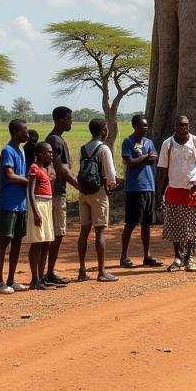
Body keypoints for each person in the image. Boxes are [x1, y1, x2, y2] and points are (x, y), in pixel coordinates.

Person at [157, 115, 196, 272]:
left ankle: (189, 257)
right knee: (175, 226)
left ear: (189, 126)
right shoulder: (168, 144)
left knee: (193, 227)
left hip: (192, 190)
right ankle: (177, 258)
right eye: (180, 125)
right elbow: (162, 170)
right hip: (173, 190)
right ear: (175, 127)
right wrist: (160, 193)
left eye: (186, 125)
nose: (183, 128)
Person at [75, 118, 118, 282]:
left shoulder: (83, 148)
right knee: (99, 230)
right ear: (103, 130)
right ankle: (101, 271)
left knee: (84, 231)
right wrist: (111, 186)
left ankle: (82, 270)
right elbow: (111, 175)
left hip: (84, 192)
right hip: (98, 191)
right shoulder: (104, 148)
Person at [0, 119, 30, 294]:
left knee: (17, 241)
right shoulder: (8, 150)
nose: (27, 134)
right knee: (4, 241)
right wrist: (30, 182)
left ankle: (11, 279)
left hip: (20, 203)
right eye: (24, 131)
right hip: (8, 202)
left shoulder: (20, 150)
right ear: (15, 132)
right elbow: (10, 175)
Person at [44, 106, 79, 286]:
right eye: (68, 118)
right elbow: (62, 169)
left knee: (55, 233)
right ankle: (48, 272)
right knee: (56, 233)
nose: (71, 121)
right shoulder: (56, 140)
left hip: (55, 192)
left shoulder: (55, 139)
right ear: (60, 120)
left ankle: (48, 272)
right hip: (56, 192)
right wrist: (81, 187)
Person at [119, 114, 161, 268]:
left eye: (146, 125)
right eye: (143, 125)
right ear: (135, 126)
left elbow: (154, 158)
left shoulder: (149, 142)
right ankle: (123, 256)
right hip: (134, 188)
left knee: (146, 223)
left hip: (149, 186)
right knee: (131, 223)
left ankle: (147, 256)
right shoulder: (128, 141)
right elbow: (130, 162)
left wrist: (142, 158)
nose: (146, 128)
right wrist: (144, 157)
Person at [26, 142, 57, 289]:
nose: (51, 154)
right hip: (38, 204)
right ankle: (35, 279)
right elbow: (30, 192)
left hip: (47, 205)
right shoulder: (34, 168)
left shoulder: (45, 169)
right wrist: (36, 212)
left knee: (47, 242)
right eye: (48, 152)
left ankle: (42, 277)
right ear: (39, 153)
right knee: (37, 242)